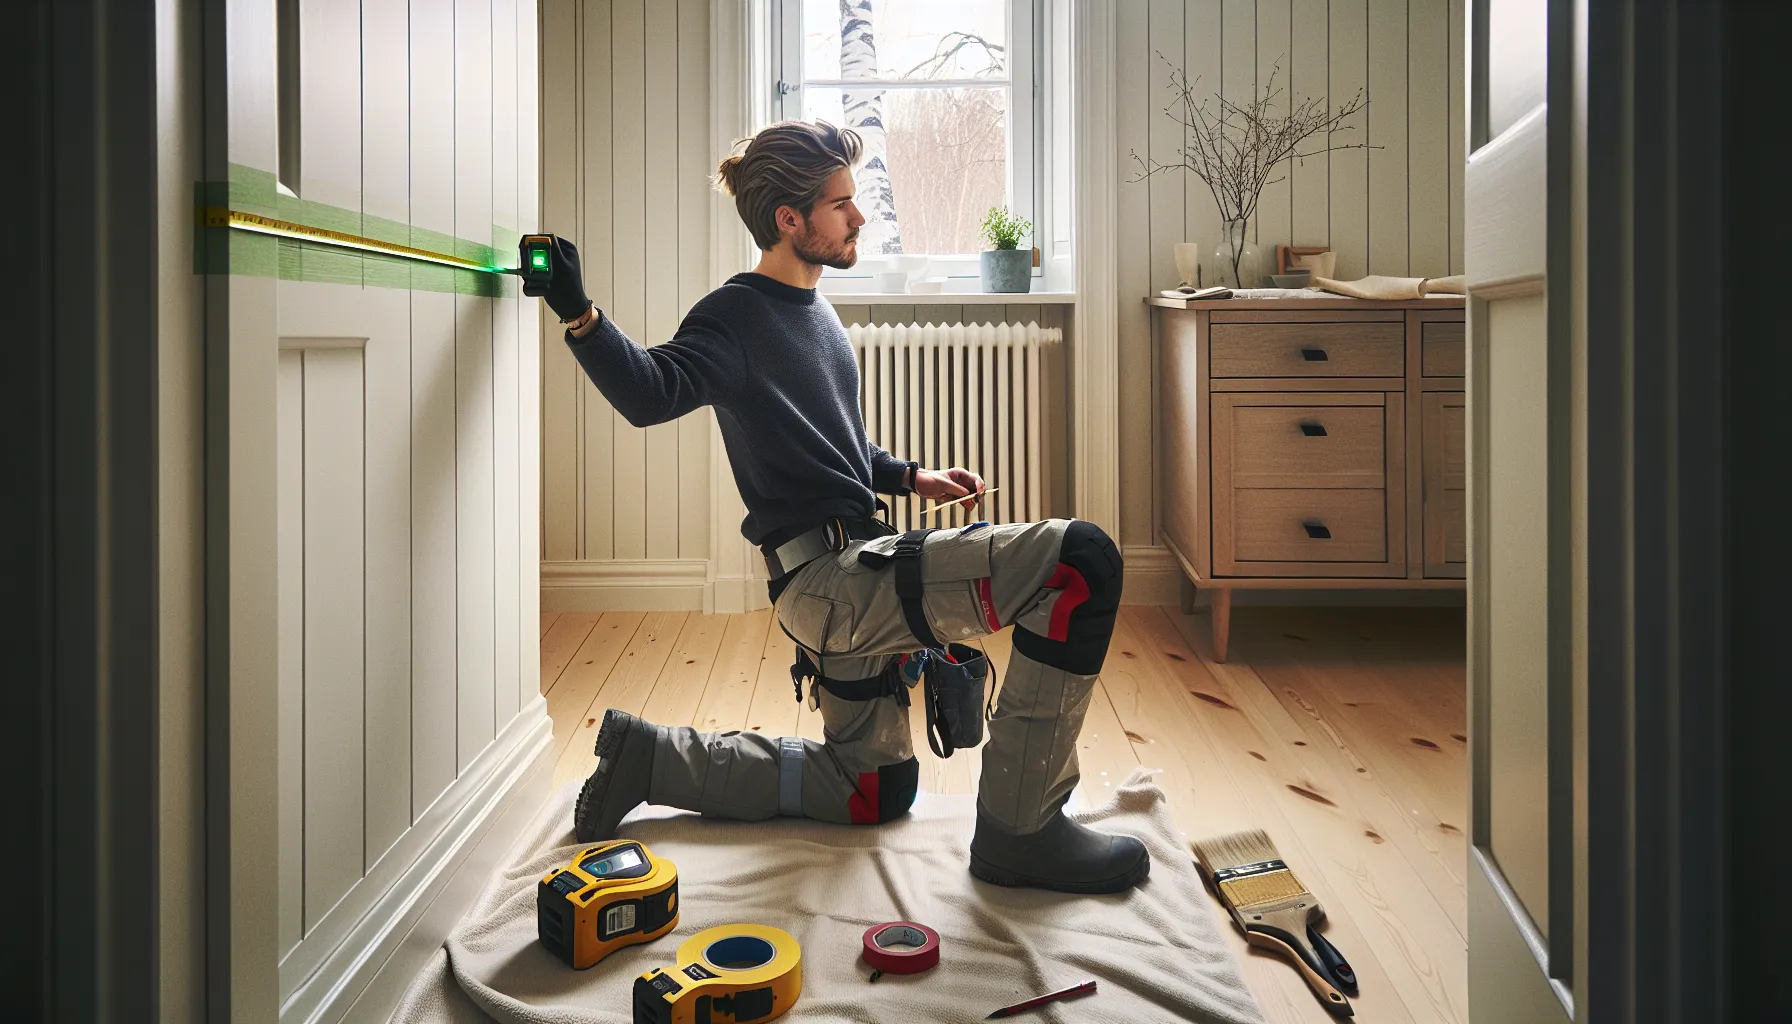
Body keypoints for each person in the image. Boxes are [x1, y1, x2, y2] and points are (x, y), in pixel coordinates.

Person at [538, 120, 1147, 894]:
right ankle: (1020, 830)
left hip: (853, 570)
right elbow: (648, 392)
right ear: (790, 220)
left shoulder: (817, 311)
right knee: (1080, 560)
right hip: (832, 586)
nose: (859, 218)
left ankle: (651, 757)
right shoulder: (734, 316)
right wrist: (579, 313)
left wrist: (912, 476)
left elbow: (839, 449)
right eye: (841, 204)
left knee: (874, 790)